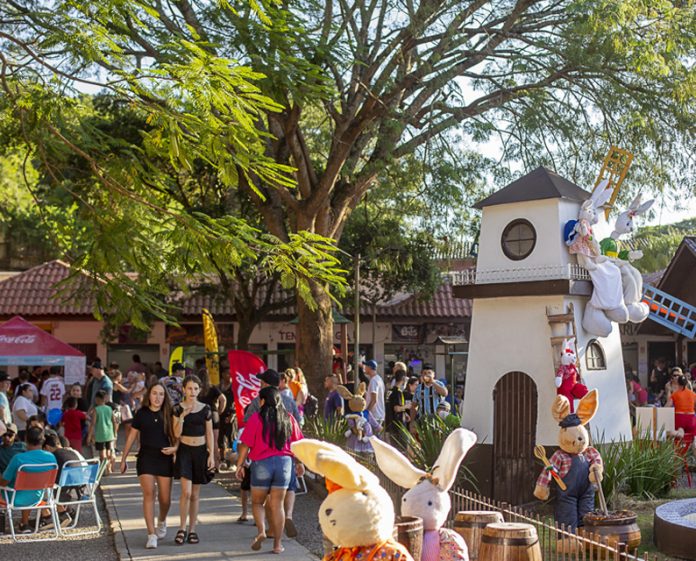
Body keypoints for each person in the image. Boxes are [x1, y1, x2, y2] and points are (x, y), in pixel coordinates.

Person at [235, 386, 304, 555]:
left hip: (262, 463)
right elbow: (298, 444)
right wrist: (300, 463)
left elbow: (245, 444)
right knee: (278, 504)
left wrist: (240, 465)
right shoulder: (288, 418)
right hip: (284, 464)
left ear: (263, 401)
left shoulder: (256, 419)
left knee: (258, 502)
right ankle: (278, 545)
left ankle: (261, 531)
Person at [121, 382, 178, 549]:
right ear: (149, 395)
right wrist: (123, 459)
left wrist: (175, 449)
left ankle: (162, 520)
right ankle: (151, 534)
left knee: (165, 499)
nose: (157, 397)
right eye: (154, 393)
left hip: (164, 457)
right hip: (146, 457)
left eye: (161, 394)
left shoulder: (169, 413)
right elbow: (132, 436)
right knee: (149, 493)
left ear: (165, 397)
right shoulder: (141, 413)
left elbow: (178, 435)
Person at [172, 375, 215, 546]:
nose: (192, 392)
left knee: (195, 494)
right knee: (186, 492)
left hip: (200, 452)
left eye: (196, 389)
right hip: (184, 451)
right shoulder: (177, 409)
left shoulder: (206, 409)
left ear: (200, 390)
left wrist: (212, 455)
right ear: (183, 389)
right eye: (189, 388)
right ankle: (181, 528)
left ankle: (192, 530)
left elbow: (209, 433)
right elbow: (176, 433)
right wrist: (183, 416)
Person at [0, 427, 56, 533]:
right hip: (37, 498)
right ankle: (24, 524)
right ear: (43, 440)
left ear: (26, 439)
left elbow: (3, 482)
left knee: (17, 488)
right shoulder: (51, 457)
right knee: (29, 488)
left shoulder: (18, 458)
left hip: (14, 499)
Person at [197, 369, 227, 469]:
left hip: (201, 414)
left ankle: (206, 464)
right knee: (214, 441)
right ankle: (216, 465)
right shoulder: (213, 388)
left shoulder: (197, 389)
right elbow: (223, 399)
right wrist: (220, 411)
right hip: (214, 415)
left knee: (204, 441)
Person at [88, 390, 117, 474]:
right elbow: (114, 421)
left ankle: (105, 469)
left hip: (100, 435)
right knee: (108, 452)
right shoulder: (109, 408)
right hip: (109, 434)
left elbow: (92, 424)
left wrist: (89, 436)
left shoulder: (96, 410)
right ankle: (109, 468)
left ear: (97, 399)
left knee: (102, 454)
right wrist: (115, 432)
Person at [385, 370, 408, 443]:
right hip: (397, 424)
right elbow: (397, 408)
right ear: (403, 379)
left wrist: (405, 414)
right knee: (400, 446)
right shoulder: (398, 392)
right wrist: (407, 406)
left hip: (389, 422)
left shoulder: (389, 391)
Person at [363, 360, 386, 426]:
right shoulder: (379, 379)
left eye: (366, 366)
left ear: (369, 367)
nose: (364, 368)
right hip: (378, 415)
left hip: (374, 416)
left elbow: (374, 400)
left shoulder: (374, 380)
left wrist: (367, 412)